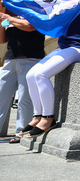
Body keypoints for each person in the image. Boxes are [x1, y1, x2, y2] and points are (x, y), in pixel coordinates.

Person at [22, 3, 80, 138]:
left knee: (41, 74)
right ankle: (37, 116)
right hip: (64, 47)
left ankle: (48, 118)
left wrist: (65, 0)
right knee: (30, 75)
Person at [0, 12, 45, 144]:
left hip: (30, 59)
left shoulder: (36, 16)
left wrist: (8, 18)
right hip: (10, 60)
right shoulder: (16, 19)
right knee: (1, 95)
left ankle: (21, 132)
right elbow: (2, 40)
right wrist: (2, 23)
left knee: (25, 99)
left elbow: (29, 26)